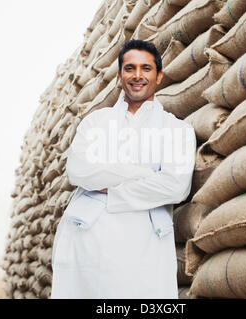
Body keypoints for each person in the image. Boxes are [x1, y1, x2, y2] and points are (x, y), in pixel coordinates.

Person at [51, 40, 196, 299]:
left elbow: (175, 187)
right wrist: (145, 175)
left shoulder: (177, 130)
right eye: (129, 68)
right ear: (120, 75)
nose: (137, 75)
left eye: (146, 68)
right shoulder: (95, 122)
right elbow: (79, 171)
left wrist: (110, 189)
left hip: (145, 245)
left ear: (159, 76)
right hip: (88, 242)